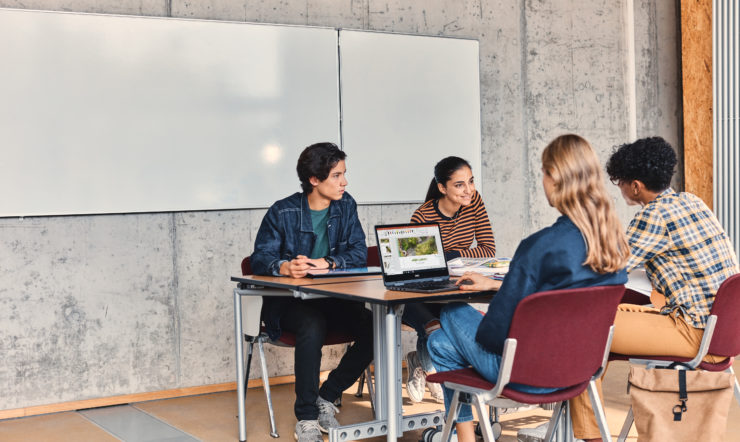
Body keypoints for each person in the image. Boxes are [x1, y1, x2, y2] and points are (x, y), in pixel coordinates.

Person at [427, 134, 630, 442]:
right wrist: (501, 286)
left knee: (451, 312)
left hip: (523, 375)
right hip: (580, 370)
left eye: (544, 172)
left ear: (555, 179)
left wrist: (490, 311)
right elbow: (549, 297)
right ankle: (466, 437)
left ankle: (464, 435)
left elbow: (493, 336)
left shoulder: (540, 246)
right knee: (439, 344)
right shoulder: (613, 243)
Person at [569, 136, 739, 441]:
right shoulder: (691, 201)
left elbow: (605, 267)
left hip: (694, 333)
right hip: (724, 330)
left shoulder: (653, 215)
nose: (619, 189)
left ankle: (591, 436)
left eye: (619, 182)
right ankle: (585, 426)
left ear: (635, 185)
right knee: (609, 316)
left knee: (585, 329)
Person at [250, 142, 374, 442]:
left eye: (344, 174)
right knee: (311, 323)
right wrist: (284, 267)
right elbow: (259, 258)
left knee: (378, 324)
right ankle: (306, 417)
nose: (344, 182)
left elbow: (360, 252)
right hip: (288, 304)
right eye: (336, 176)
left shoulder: (346, 205)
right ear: (315, 180)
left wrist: (327, 262)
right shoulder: (283, 211)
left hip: (335, 299)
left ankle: (327, 396)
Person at [403, 156, 496, 404]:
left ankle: (428, 367)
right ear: (442, 187)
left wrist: (452, 255)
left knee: (451, 318)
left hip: (455, 286)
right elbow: (417, 267)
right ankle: (432, 369)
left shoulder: (474, 202)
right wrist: (450, 259)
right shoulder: (423, 215)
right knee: (435, 324)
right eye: (459, 185)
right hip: (422, 293)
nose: (469, 190)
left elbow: (488, 249)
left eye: (471, 182)